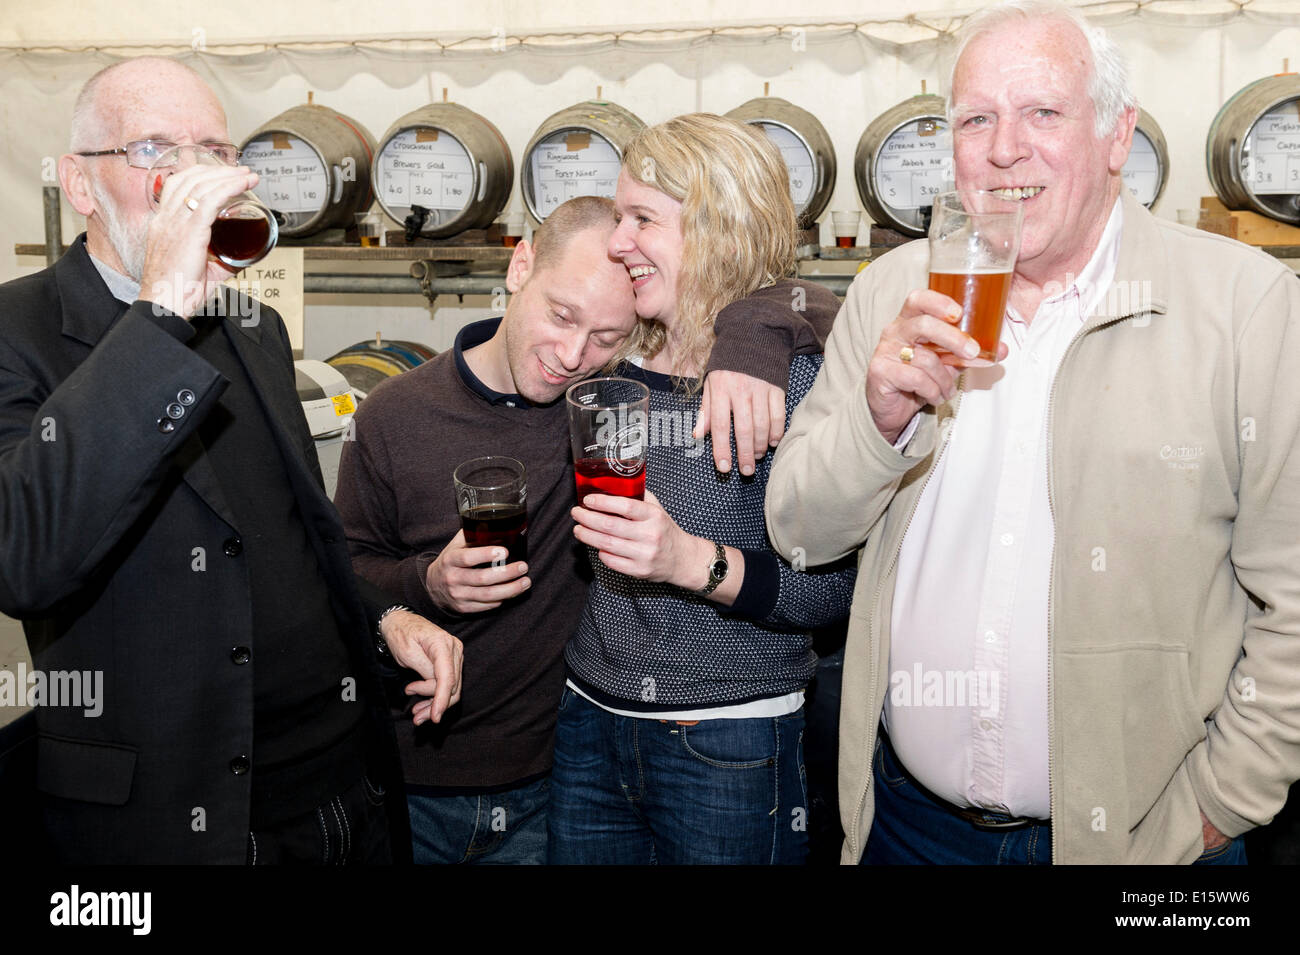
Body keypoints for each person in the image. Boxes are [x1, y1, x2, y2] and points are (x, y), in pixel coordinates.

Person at [766, 0, 1300, 865]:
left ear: (1116, 134)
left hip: (1151, 839)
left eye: (1042, 112)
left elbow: (1294, 599)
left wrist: (1220, 804)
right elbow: (797, 531)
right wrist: (880, 418)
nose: (1004, 148)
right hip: (912, 829)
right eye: (977, 118)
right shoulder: (890, 292)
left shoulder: (1245, 306)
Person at [0, 56, 463, 864]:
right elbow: (24, 558)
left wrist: (385, 615)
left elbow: (282, 536)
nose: (191, 175)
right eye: (154, 150)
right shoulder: (18, 330)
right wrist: (159, 312)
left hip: (341, 789)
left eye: (211, 150)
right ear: (80, 185)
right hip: (181, 815)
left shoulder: (252, 325)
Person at [335, 194, 821, 864]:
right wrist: (426, 584)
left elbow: (814, 302)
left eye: (605, 336)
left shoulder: (607, 408)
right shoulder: (390, 416)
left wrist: (752, 330)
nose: (570, 354)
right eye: (561, 314)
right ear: (520, 264)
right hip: (403, 780)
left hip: (552, 780)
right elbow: (339, 570)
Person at [548, 113, 857, 865]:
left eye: (642, 219)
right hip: (589, 717)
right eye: (619, 216)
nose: (618, 240)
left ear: (717, 224)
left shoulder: (796, 376)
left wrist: (689, 561)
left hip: (730, 738)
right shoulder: (618, 350)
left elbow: (833, 590)